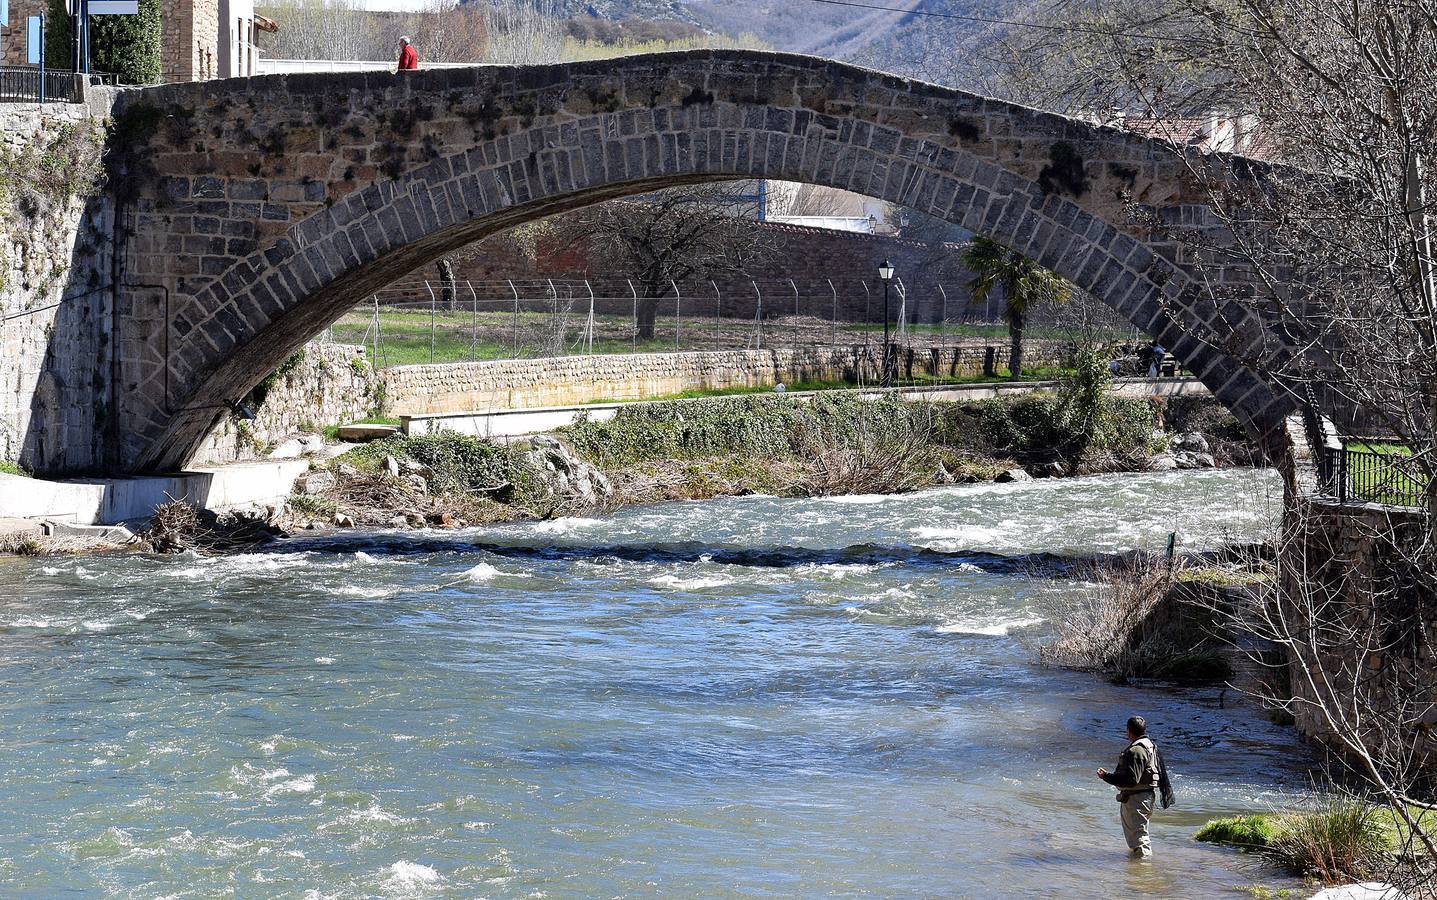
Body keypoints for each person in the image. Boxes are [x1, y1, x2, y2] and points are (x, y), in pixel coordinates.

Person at [1096, 715, 1170, 859]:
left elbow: (1131, 780)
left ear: (1128, 731)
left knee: (1140, 840)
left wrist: (1106, 776)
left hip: (1137, 799)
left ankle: (1144, 873)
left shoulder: (1136, 750)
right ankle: (1139, 869)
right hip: (1143, 797)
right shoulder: (1149, 745)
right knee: (1139, 836)